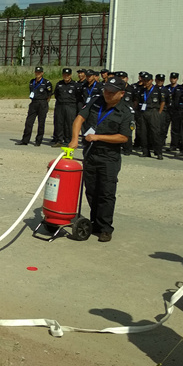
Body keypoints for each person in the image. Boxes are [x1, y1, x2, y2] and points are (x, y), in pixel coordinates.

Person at [68, 76, 134, 243]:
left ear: (121, 94)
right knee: (91, 190)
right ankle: (95, 222)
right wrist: (75, 139)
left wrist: (99, 137)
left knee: (106, 192)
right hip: (90, 154)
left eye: (111, 92)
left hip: (109, 157)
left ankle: (105, 227)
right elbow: (79, 119)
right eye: (106, 90)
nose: (107, 94)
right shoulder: (95, 102)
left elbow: (123, 137)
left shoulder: (126, 112)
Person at [16, 66, 53, 146]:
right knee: (29, 122)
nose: (38, 74)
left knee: (41, 122)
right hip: (33, 103)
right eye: (36, 72)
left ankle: (38, 141)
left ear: (42, 73)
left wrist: (44, 102)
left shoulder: (46, 83)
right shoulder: (32, 81)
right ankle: (25, 140)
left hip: (42, 103)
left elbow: (49, 94)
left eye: (39, 73)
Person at [137, 73, 164, 159]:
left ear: (151, 80)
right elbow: (138, 101)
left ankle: (158, 152)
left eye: (148, 80)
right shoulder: (142, 90)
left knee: (155, 132)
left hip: (153, 112)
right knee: (143, 132)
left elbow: (162, 102)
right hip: (144, 112)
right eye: (144, 80)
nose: (146, 82)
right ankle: (145, 151)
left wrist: (159, 112)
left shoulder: (157, 90)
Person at [50, 67, 76, 147]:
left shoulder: (75, 84)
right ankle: (59, 140)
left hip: (70, 105)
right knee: (59, 122)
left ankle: (68, 140)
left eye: (68, 75)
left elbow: (78, 96)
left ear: (70, 75)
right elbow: (56, 94)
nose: (66, 76)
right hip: (60, 105)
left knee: (69, 123)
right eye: (64, 75)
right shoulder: (59, 84)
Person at [166, 72, 183, 151]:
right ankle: (161, 143)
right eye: (172, 78)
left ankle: (174, 145)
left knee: (175, 129)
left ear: (177, 79)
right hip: (167, 110)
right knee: (164, 128)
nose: (173, 80)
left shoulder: (180, 88)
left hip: (176, 111)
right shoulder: (166, 88)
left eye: (175, 78)